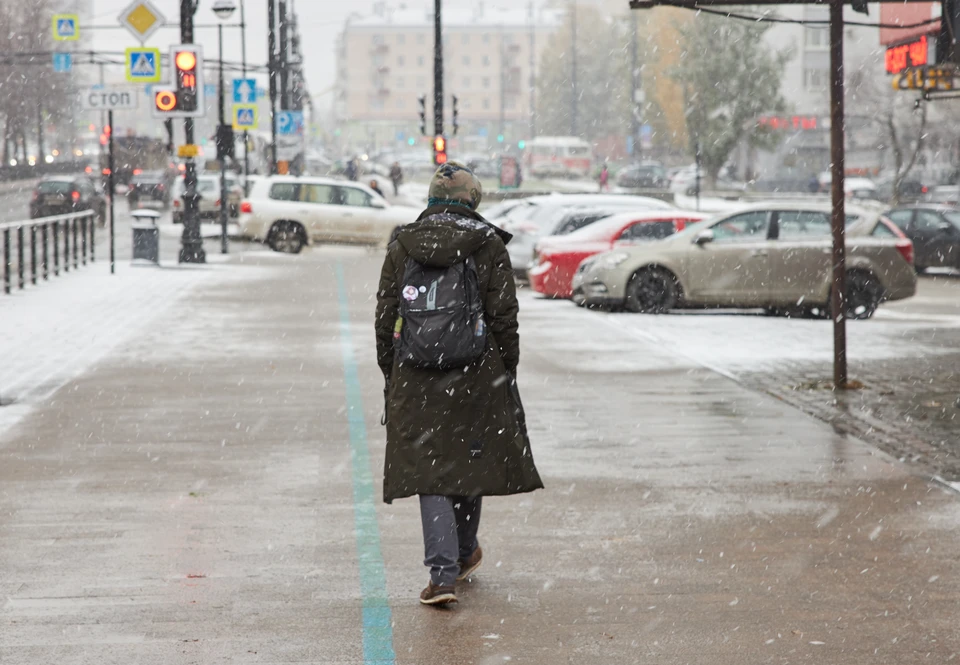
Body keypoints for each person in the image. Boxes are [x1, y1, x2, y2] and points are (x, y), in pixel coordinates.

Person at [375, 161, 543, 607]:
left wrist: (391, 370)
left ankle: (443, 575)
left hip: (415, 371)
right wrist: (506, 366)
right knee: (470, 458)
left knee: (430, 471)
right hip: (476, 371)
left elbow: (385, 314)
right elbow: (504, 316)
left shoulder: (402, 244)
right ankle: (465, 551)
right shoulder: (487, 244)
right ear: (473, 200)